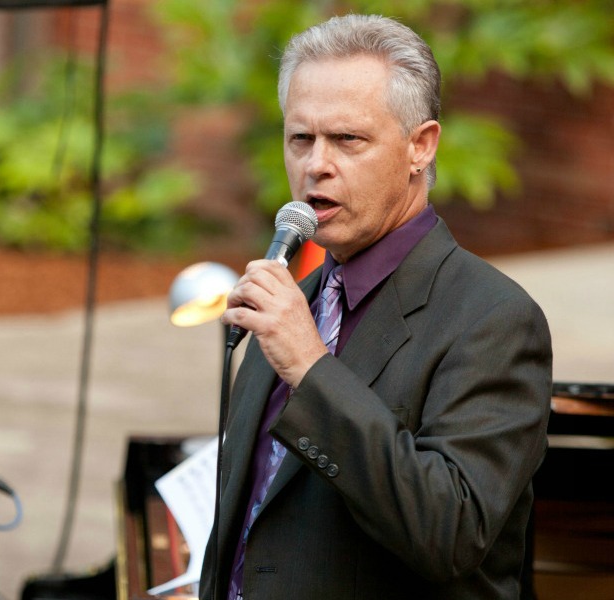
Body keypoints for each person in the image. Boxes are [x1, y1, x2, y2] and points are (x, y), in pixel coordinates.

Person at [200, 14, 552, 600]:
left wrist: (311, 369)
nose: (317, 164)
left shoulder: (494, 320)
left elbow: (451, 532)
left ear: (421, 146)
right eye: (300, 138)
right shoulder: (294, 302)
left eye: (348, 139)